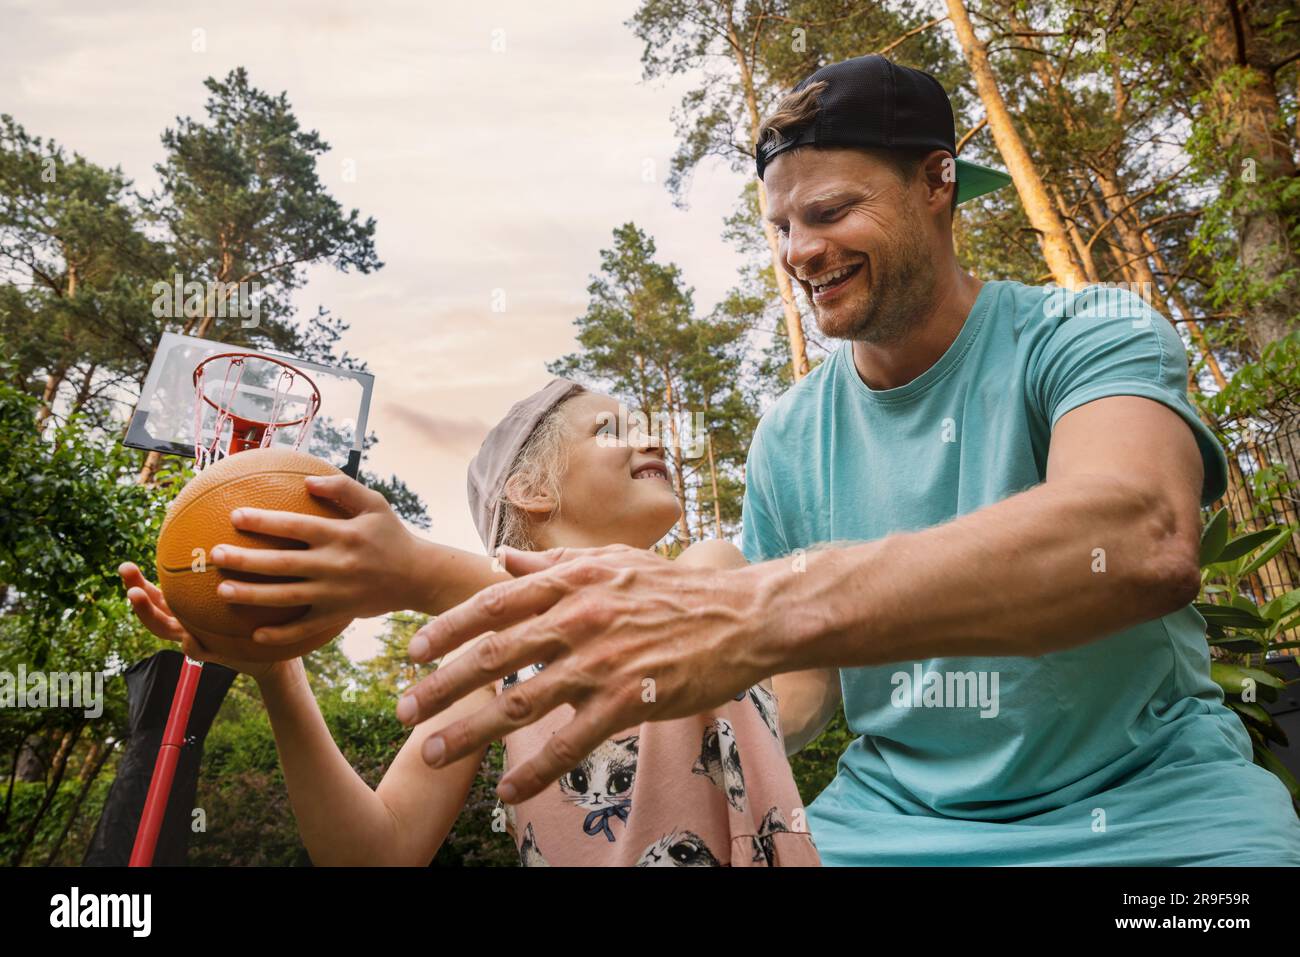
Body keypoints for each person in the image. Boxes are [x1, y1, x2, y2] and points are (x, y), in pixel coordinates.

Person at [398, 55, 1300, 866]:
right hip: (887, 829)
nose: (800, 252)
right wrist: (686, 732)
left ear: (937, 182)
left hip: (1156, 814)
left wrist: (751, 607)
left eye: (830, 211)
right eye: (781, 225)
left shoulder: (1087, 331)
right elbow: (800, 683)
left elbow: (1141, 535)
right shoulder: (789, 434)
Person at [120, 382, 819, 867]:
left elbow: (666, 630)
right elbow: (377, 851)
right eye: (609, 429)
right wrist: (278, 672)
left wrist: (418, 570)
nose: (647, 437)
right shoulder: (497, 667)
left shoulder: (711, 568)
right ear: (531, 489)